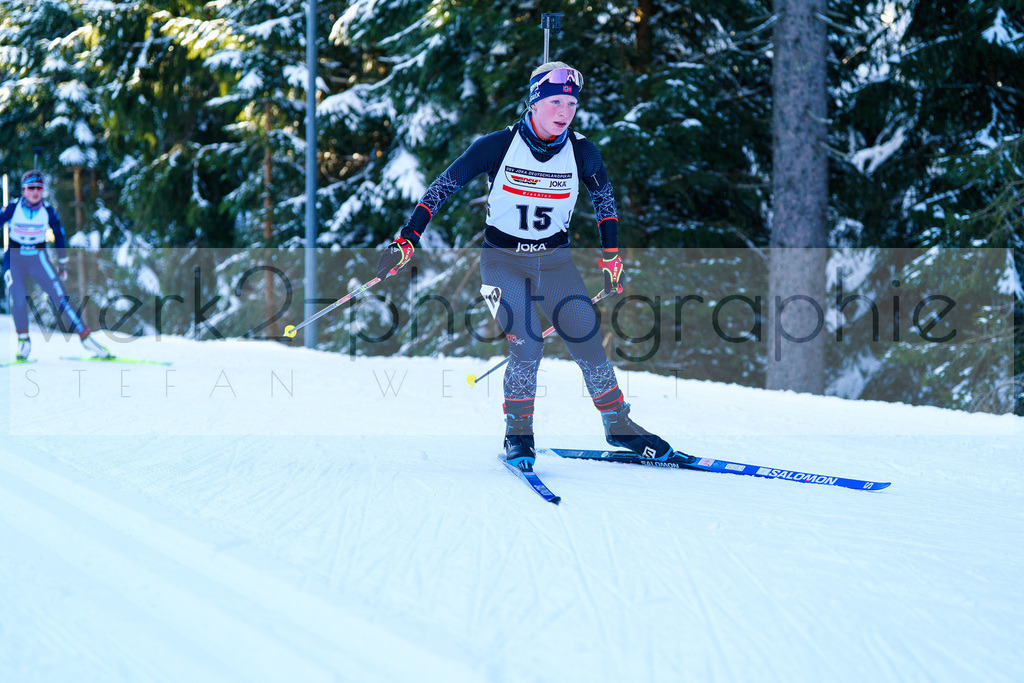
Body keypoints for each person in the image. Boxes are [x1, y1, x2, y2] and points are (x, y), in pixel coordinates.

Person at [376, 62, 681, 472]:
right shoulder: (498, 145)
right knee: (528, 345)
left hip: (554, 263)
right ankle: (518, 432)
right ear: (534, 102)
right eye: (555, 101)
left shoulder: (583, 151)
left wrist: (612, 255)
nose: (564, 111)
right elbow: (442, 187)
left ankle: (618, 425)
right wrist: (408, 237)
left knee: (586, 337)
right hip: (501, 262)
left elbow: (605, 203)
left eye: (571, 104)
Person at [1, 170, 110, 360]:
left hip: (38, 258)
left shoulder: (48, 211)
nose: (35, 192)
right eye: (31, 188)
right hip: (15, 259)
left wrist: (62, 263)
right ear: (24, 190)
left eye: (39, 188)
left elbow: (59, 235)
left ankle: (86, 338)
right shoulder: (12, 208)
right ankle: (24, 341)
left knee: (61, 298)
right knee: (18, 298)